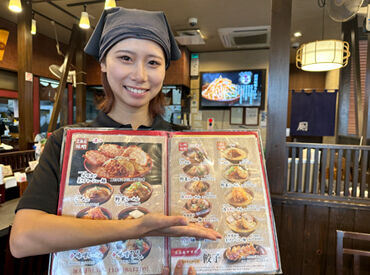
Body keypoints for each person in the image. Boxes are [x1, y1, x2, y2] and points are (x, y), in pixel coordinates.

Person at [9, 6, 221, 263]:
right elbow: (23, 240)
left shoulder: (187, 145)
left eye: (153, 62)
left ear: (164, 71)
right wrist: (136, 227)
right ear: (103, 64)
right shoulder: (67, 141)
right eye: (125, 58)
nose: (140, 75)